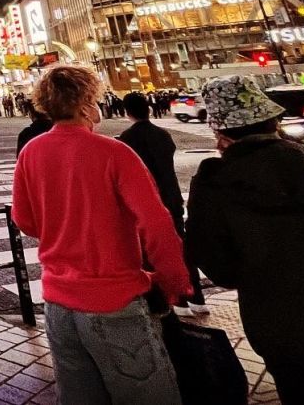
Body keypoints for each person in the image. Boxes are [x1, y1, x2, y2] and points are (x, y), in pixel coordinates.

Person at [186, 76, 304, 402]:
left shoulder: (215, 185)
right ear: (273, 120)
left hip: (279, 328)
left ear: (220, 132)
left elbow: (221, 270)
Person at [12, 64, 188, 404]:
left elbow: (25, 220)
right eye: (95, 100)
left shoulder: (31, 152)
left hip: (58, 305)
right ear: (84, 104)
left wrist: (62, 226)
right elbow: (156, 223)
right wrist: (174, 281)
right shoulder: (114, 152)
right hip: (114, 300)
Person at [118, 91, 208, 317]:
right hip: (172, 196)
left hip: (148, 199)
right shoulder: (162, 134)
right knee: (182, 247)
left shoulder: (126, 139)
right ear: (148, 109)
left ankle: (174, 300)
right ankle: (196, 297)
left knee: (154, 253)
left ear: (127, 112)